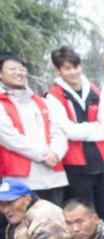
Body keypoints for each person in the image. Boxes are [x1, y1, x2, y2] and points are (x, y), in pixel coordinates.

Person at [46, 46, 104, 212]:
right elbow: (70, 131)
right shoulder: (53, 96)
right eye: (67, 68)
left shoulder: (96, 91)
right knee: (82, 212)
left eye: (76, 67)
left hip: (103, 160)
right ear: (58, 70)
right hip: (75, 164)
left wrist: (81, 131)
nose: (73, 72)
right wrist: (95, 126)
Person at [0, 53, 68, 205]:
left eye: (21, 69)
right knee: (25, 218)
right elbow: (10, 138)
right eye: (12, 69)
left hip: (53, 176)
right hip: (21, 179)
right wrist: (44, 155)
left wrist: (56, 153)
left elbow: (58, 130)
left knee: (55, 217)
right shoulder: (1, 103)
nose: (18, 73)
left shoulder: (41, 101)